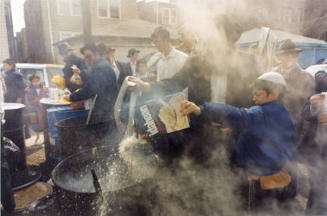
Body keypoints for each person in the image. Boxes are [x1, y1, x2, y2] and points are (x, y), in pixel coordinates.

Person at [181, 72, 298, 214]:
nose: (254, 99)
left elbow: (239, 115)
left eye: (258, 95)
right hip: (278, 177)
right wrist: (237, 130)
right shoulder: (281, 112)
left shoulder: (263, 113)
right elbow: (262, 135)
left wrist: (201, 110)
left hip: (263, 182)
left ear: (274, 93)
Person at [275, 39, 315, 137]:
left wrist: (303, 133)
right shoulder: (272, 74)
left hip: (296, 129)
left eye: (293, 54)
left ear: (297, 56)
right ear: (280, 57)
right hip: (273, 128)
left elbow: (310, 109)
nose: (290, 57)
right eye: (286, 55)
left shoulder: (307, 78)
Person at [65, 44, 118, 115]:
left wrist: (71, 97)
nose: (87, 60)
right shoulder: (99, 65)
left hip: (106, 110)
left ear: (96, 54)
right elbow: (92, 81)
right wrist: (81, 76)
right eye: (85, 57)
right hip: (104, 108)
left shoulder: (101, 67)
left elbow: (91, 89)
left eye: (89, 56)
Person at [26, 74, 47, 144]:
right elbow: (29, 100)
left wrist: (42, 103)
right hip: (33, 109)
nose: (36, 83)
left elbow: (46, 96)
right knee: (35, 124)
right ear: (31, 82)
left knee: (44, 123)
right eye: (34, 81)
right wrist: (38, 102)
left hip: (42, 109)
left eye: (37, 81)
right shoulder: (29, 89)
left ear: (40, 81)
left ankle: (45, 138)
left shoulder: (43, 88)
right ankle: (37, 137)